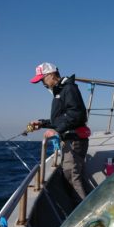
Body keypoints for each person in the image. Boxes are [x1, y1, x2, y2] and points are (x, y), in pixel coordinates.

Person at [29, 62, 91, 205]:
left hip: (74, 141)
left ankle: (85, 213)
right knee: (74, 175)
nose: (43, 84)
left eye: (42, 79)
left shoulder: (68, 89)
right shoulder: (61, 90)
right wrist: (42, 123)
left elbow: (77, 114)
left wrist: (57, 130)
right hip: (71, 139)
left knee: (71, 176)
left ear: (51, 75)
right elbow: (62, 118)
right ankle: (85, 205)